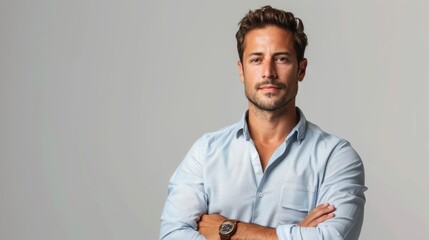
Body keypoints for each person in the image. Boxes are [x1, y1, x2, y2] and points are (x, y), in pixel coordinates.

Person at [160, 5, 367, 240]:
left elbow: (331, 238)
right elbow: (172, 235)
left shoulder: (335, 157)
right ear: (241, 71)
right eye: (256, 59)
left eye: (281, 58)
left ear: (301, 69)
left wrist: (229, 230)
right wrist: (296, 234)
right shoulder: (205, 153)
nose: (268, 72)